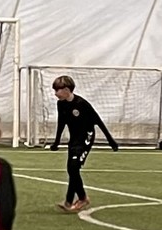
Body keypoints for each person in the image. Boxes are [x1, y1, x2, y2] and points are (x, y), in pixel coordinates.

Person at [48, 75, 117, 212]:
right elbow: (61, 123)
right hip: (74, 139)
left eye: (57, 90)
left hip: (86, 137)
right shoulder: (61, 104)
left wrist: (111, 141)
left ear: (67, 89)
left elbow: (98, 121)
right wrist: (56, 142)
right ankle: (75, 200)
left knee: (74, 168)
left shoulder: (81, 104)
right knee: (71, 169)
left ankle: (76, 199)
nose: (55, 94)